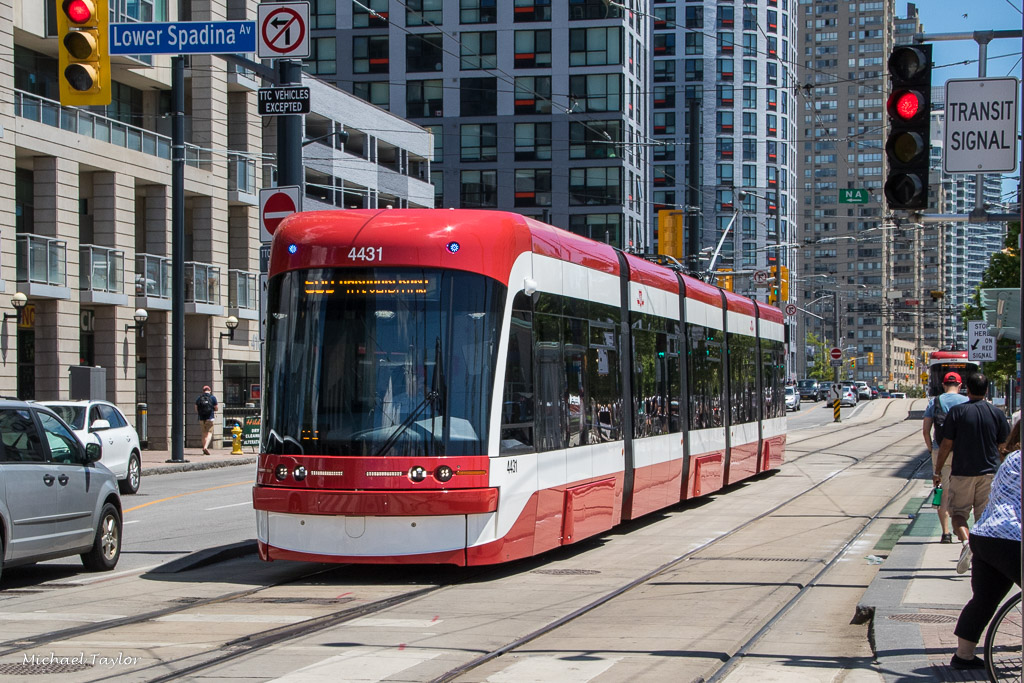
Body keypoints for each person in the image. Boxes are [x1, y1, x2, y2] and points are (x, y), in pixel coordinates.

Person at [947, 427, 1021, 670]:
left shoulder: (1012, 458)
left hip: (985, 535)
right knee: (986, 598)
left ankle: (963, 656)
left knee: (984, 599)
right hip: (1012, 538)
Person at [933, 372, 1010, 574]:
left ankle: (967, 542)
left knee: (958, 515)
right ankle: (983, 559)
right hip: (989, 474)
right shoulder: (997, 414)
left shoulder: (957, 413)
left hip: (962, 473)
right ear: (986, 390)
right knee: (984, 518)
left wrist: (938, 470)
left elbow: (946, 444)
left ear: (967, 389)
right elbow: (1004, 447)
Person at [922, 372, 968, 543]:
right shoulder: (966, 402)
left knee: (942, 492)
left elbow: (926, 430)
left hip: (939, 451)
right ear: (960, 385)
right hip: (962, 452)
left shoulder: (935, 402)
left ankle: (946, 533)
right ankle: (961, 530)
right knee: (963, 492)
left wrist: (931, 449)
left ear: (943, 385)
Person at [195, 385, 218, 455]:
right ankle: (205, 447)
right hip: (210, 418)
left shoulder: (199, 398)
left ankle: (204, 446)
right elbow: (216, 408)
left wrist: (200, 413)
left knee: (204, 433)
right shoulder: (213, 398)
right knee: (209, 433)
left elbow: (196, 408)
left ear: (203, 391)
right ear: (210, 390)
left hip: (201, 418)